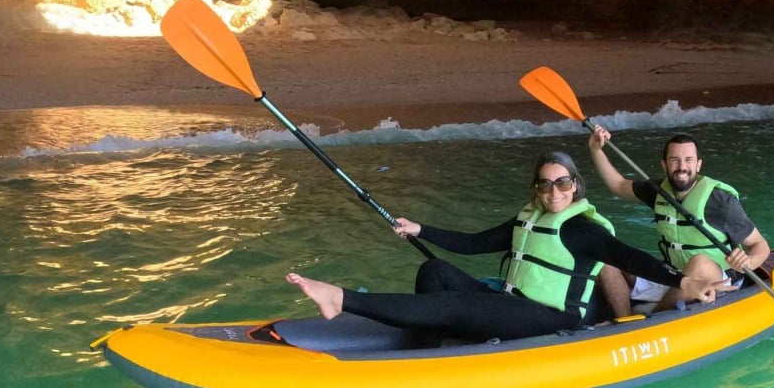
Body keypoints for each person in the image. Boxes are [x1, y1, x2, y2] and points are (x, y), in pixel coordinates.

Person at [285, 151, 724, 342]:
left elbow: (632, 259)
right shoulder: (526, 219)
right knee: (435, 273)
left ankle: (339, 299)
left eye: (563, 183)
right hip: (513, 305)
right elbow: (475, 243)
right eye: (546, 184)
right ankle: (432, 342)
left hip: (553, 319)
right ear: (537, 189)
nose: (554, 191)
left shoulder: (582, 230)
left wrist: (682, 279)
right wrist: (422, 230)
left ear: (575, 187)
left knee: (457, 304)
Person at [588, 126, 771, 311]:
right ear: (664, 165)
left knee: (699, 263)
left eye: (688, 160)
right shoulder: (659, 191)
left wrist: (747, 262)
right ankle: (626, 321)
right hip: (673, 276)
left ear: (698, 165)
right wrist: (596, 150)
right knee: (604, 254)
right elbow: (618, 186)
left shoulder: (720, 201)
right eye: (675, 160)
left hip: (717, 280)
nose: (682, 167)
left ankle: (653, 318)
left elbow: (761, 246)